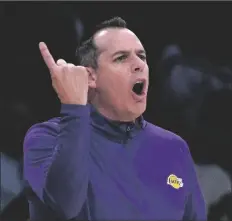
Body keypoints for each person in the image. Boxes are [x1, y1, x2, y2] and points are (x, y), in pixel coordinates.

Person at [23, 17, 206, 221]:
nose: (139, 65)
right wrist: (74, 107)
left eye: (142, 56)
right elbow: (65, 206)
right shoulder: (46, 137)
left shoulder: (175, 148)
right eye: (121, 58)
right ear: (91, 77)